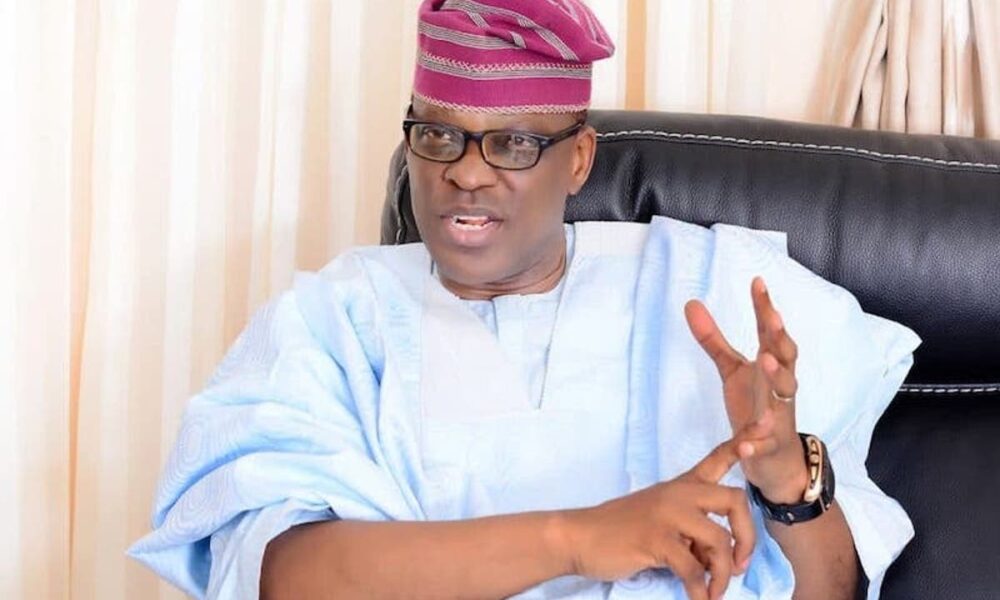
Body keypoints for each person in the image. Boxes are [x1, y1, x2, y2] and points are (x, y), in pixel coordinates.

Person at [129, 1, 920, 599]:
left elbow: (832, 590)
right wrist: (579, 538)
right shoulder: (337, 318)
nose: (466, 173)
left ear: (578, 160)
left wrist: (787, 479)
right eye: (438, 136)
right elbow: (280, 575)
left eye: (512, 143)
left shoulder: (710, 287)